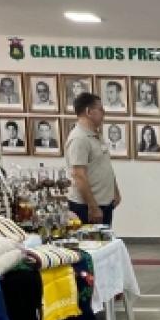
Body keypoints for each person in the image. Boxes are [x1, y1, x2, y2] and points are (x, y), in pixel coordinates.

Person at [66, 92, 121, 226]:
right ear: (89, 112)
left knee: (104, 238)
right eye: (100, 109)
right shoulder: (79, 138)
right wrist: (93, 207)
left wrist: (115, 191)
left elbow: (104, 165)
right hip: (87, 206)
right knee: (91, 240)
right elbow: (79, 176)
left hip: (103, 203)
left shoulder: (96, 134)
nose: (104, 112)